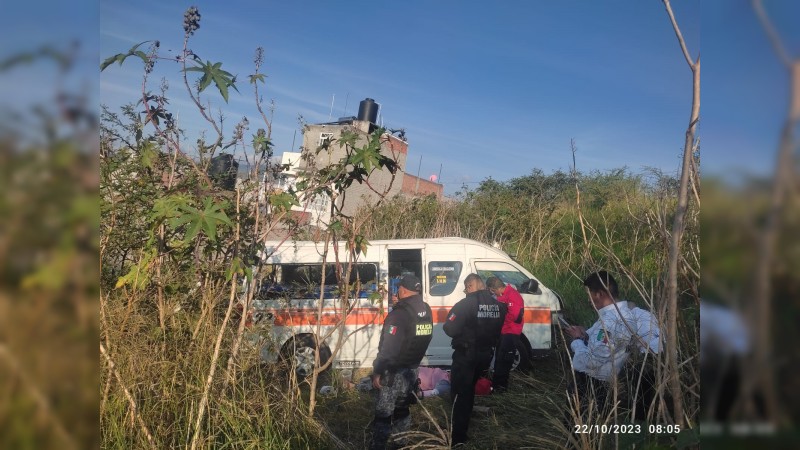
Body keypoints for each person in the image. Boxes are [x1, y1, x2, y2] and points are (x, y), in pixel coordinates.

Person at [369, 274, 433, 450]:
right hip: (412, 370)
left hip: (393, 372)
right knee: (403, 409)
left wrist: (378, 371)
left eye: (399, 288)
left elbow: (388, 350)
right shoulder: (426, 309)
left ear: (403, 290)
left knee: (384, 413)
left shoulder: (399, 314)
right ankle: (401, 444)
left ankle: (379, 446)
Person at [443, 273, 505, 446]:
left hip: (466, 355)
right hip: (485, 356)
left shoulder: (465, 304)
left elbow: (449, 328)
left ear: (470, 286)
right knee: (469, 390)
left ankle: (458, 437)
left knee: (460, 394)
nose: (465, 291)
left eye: (466, 287)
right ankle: (465, 423)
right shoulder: (498, 305)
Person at [565, 271, 634, 416]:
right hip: (599, 384)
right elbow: (603, 346)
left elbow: (592, 361)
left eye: (590, 293)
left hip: (590, 385)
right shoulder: (623, 314)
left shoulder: (609, 321)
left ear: (599, 294)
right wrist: (586, 335)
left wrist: (577, 340)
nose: (589, 299)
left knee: (578, 430)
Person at [620, 301, 661, 420]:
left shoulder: (629, 317)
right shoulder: (650, 314)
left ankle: (640, 420)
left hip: (648, 355)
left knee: (642, 390)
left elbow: (626, 340)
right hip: (663, 353)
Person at [486, 276, 526, 392]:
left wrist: (500, 321)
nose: (494, 294)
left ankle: (501, 387)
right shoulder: (503, 296)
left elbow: (515, 316)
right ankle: (496, 385)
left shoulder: (513, 295)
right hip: (504, 332)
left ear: (496, 289)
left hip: (511, 332)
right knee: (499, 359)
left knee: (505, 360)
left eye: (493, 291)